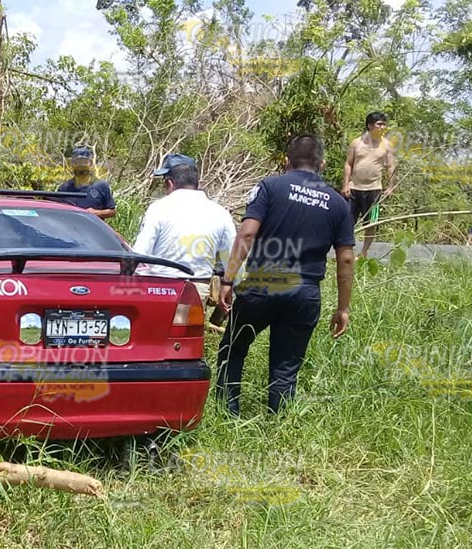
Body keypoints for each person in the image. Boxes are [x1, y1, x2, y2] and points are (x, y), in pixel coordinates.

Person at [216, 134, 356, 416]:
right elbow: (347, 258)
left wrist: (228, 279)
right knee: (285, 366)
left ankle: (228, 414)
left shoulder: (270, 186)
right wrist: (343, 308)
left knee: (232, 350)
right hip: (304, 292)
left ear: (285, 161)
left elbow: (247, 232)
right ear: (323, 164)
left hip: (261, 285)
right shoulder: (338, 204)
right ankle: (277, 424)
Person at [130, 153, 236, 305]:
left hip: (159, 288)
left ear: (170, 183)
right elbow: (232, 256)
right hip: (197, 289)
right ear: (196, 182)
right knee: (190, 329)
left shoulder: (157, 209)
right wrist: (229, 285)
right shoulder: (220, 213)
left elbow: (140, 254)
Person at [341, 112, 396, 259]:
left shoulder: (387, 145)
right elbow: (348, 164)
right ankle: (347, 252)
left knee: (371, 223)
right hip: (353, 188)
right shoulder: (356, 143)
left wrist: (390, 187)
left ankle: (364, 252)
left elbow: (391, 167)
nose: (382, 127)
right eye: (379, 124)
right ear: (370, 126)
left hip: (374, 190)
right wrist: (345, 184)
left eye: (384, 124)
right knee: (347, 222)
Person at [57, 147, 116, 219]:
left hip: (93, 229)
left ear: (90, 163)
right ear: (72, 164)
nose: (81, 165)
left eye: (84, 162)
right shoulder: (64, 188)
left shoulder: (101, 186)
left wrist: (96, 213)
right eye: (77, 162)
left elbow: (112, 211)